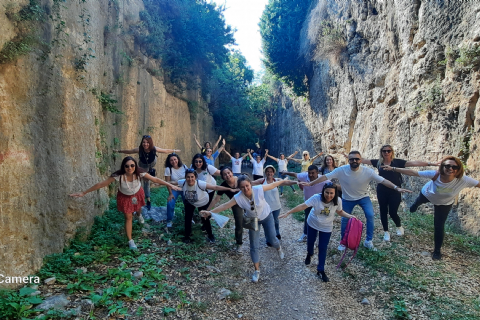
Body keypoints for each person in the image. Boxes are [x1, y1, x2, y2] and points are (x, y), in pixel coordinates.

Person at [302, 151, 412, 251]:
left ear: (360, 160)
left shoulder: (367, 171)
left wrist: (396, 188)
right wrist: (311, 183)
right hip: (347, 198)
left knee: (370, 215)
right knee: (345, 220)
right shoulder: (341, 170)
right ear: (348, 160)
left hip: (363, 197)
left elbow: (383, 180)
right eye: (352, 159)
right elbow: (325, 177)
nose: (354, 161)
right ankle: (343, 242)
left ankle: (368, 241)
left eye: (357, 159)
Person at [69, 156, 181, 250]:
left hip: (137, 193)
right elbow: (101, 184)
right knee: (128, 217)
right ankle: (130, 240)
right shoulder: (119, 175)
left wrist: (170, 185)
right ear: (123, 166)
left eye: (132, 165)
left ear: (135, 166)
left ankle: (139, 215)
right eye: (127, 166)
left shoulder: (139, 172)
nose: (130, 168)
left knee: (138, 209)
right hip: (125, 197)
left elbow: (155, 179)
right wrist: (84, 192)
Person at [201, 175, 296, 282]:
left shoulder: (258, 189)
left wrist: (285, 180)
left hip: (266, 216)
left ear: (250, 184)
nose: (245, 189)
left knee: (272, 239)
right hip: (252, 220)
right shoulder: (238, 197)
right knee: (253, 245)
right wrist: (210, 212)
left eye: (247, 186)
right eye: (242, 187)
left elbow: (273, 184)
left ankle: (278, 248)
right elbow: (225, 205)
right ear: (239, 188)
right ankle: (257, 270)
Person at [382, 156, 480, 260]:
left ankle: (437, 251)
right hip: (427, 195)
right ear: (442, 167)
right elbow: (413, 173)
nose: (450, 168)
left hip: (444, 203)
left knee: (439, 226)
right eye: (447, 166)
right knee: (418, 201)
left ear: (459, 169)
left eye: (454, 167)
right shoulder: (435, 174)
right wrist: (393, 168)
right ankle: (415, 205)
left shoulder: (463, 180)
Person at [356, 145, 438, 241]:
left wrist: (430, 163)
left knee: (393, 212)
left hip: (395, 190)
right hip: (382, 190)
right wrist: (350, 157)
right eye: (384, 151)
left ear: (391, 152)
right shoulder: (378, 162)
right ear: (381, 152)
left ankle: (399, 226)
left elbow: (413, 163)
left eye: (388, 151)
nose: (386, 152)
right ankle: (386, 232)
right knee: (383, 211)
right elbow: (363, 160)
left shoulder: (397, 162)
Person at [279, 183, 355, 282]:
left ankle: (321, 270)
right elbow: (303, 206)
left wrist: (350, 216)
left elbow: (339, 211)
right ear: (323, 191)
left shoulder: (338, 200)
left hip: (326, 227)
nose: (329, 195)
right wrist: (288, 212)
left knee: (323, 247)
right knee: (310, 241)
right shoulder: (316, 198)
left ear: (335, 193)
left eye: (331, 193)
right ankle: (309, 253)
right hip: (312, 223)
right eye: (326, 192)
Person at [114, 135, 180, 210]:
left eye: (147, 142)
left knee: (149, 178)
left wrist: (175, 150)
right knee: (146, 182)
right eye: (144, 142)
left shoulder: (154, 149)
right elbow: (130, 151)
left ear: (150, 143)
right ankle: (147, 199)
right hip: (143, 166)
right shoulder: (140, 149)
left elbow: (165, 151)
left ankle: (151, 175)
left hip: (152, 163)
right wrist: (119, 151)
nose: (145, 144)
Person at [172, 169, 235, 244]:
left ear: (195, 177)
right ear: (185, 177)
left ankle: (210, 235)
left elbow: (215, 187)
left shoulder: (200, 183)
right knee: (187, 218)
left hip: (202, 202)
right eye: (188, 177)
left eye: (192, 177)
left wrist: (230, 189)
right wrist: (160, 183)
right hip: (191, 202)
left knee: (205, 218)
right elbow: (173, 183)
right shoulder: (183, 182)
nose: (190, 179)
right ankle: (187, 237)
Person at [282, 165, 331, 242]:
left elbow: (332, 186)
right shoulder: (304, 176)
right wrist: (285, 172)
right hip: (308, 202)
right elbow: (295, 174)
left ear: (317, 173)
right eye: (309, 173)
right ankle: (305, 234)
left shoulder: (323, 180)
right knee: (307, 218)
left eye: (313, 173)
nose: (310, 175)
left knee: (319, 219)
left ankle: (317, 236)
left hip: (319, 203)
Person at [254, 165, 287, 244]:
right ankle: (268, 239)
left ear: (273, 173)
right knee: (267, 224)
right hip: (265, 207)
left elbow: (286, 182)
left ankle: (277, 233)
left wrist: (296, 181)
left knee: (275, 221)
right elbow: (251, 183)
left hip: (276, 206)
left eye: (271, 171)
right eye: (268, 171)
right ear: (265, 172)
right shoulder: (262, 181)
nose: (269, 173)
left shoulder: (276, 180)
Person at [164, 153, 189, 228]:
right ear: (169, 161)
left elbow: (189, 177)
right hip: (174, 188)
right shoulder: (168, 169)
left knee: (188, 203)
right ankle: (169, 220)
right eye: (171, 160)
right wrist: (170, 193)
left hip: (185, 188)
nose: (173, 161)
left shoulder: (184, 166)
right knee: (170, 203)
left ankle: (189, 218)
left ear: (178, 159)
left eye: (175, 159)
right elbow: (167, 183)